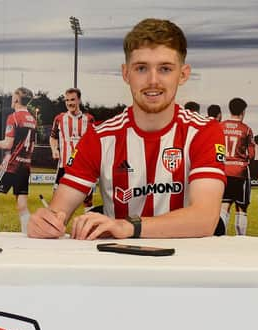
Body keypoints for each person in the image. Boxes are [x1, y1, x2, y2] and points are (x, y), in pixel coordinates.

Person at [28, 18, 226, 240]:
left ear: (183, 74)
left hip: (185, 268)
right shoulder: (99, 137)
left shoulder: (203, 131)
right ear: (125, 73)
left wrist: (127, 227)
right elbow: (58, 212)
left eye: (165, 69)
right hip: (120, 267)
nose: (153, 81)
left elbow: (205, 218)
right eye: (141, 68)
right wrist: (45, 222)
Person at [0, 87, 36, 233]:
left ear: (17, 99)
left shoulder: (13, 117)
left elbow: (8, 144)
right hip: (25, 166)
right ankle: (28, 236)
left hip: (11, 165)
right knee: (22, 206)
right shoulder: (32, 119)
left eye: (13, 96)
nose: (11, 99)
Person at [49, 88, 95, 207]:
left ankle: (89, 225)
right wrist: (54, 150)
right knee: (57, 197)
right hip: (64, 165)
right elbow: (53, 137)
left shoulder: (89, 119)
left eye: (73, 100)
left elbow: (95, 141)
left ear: (79, 100)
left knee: (87, 200)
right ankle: (56, 225)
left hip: (83, 166)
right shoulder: (59, 118)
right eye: (67, 100)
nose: (69, 103)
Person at [220, 98, 255, 235]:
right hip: (240, 172)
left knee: (224, 205)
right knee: (241, 208)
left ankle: (221, 236)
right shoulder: (246, 129)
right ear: (243, 111)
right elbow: (251, 154)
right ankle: (242, 239)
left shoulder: (220, 127)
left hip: (224, 171)